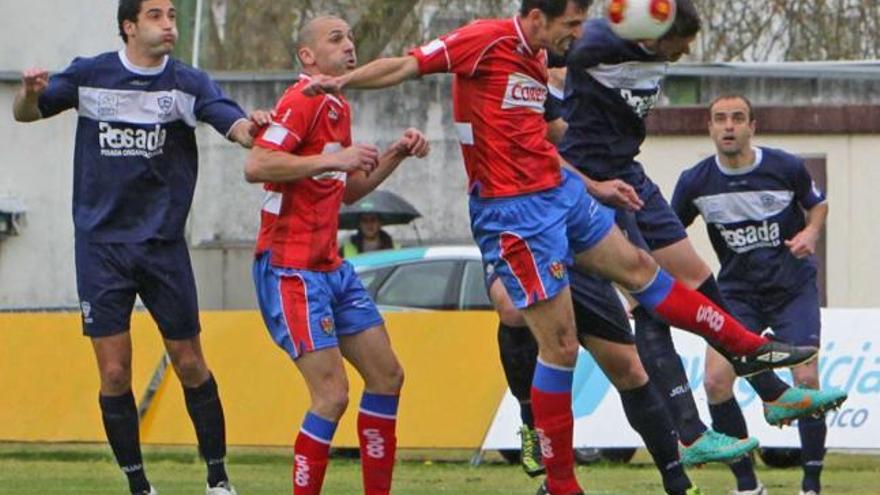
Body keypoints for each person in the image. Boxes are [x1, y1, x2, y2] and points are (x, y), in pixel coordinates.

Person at [303, 2, 819, 493]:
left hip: (561, 193)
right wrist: (344, 81)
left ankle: (749, 349)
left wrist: (595, 183)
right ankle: (558, 471)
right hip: (513, 215)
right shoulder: (484, 41)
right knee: (560, 346)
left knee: (641, 270)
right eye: (570, 24)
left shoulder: (537, 60)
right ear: (535, 18)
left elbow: (545, 139)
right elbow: (406, 65)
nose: (578, 34)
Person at [557, 2, 847, 486]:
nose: (688, 50)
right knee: (649, 299)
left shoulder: (651, 47)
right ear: (658, 32)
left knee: (696, 278)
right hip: (592, 185)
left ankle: (772, 393)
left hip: (630, 173)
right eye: (683, 40)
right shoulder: (600, 42)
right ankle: (690, 432)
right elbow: (547, 51)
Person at [12, 1, 268, 494]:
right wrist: (28, 93)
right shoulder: (91, 75)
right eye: (156, 15)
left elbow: (235, 127)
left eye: (172, 14)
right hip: (100, 246)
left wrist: (252, 127)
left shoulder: (188, 83)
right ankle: (139, 486)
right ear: (129, 27)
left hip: (162, 245)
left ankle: (218, 479)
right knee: (114, 371)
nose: (169, 23)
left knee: (190, 362)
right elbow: (26, 115)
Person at [492, 76, 752, 495]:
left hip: (586, 240)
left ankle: (678, 480)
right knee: (510, 306)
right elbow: (523, 146)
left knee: (629, 368)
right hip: (525, 229)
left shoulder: (596, 94)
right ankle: (532, 429)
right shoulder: (516, 87)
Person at [244, 14, 429, 495]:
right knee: (331, 396)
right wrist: (333, 158)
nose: (349, 46)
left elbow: (348, 191)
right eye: (336, 39)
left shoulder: (336, 105)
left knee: (387, 376)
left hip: (331, 267)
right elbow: (257, 163)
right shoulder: (301, 100)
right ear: (308, 56)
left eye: (350, 38)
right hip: (291, 270)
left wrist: (395, 153)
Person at [672, 95, 831, 495]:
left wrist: (810, 233)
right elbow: (666, 233)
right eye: (720, 119)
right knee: (715, 382)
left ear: (752, 127)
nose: (729, 126)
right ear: (709, 128)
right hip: (736, 294)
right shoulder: (695, 181)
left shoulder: (785, 167)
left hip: (791, 288)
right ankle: (748, 486)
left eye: (737, 118)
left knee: (806, 380)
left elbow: (818, 205)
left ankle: (810, 485)